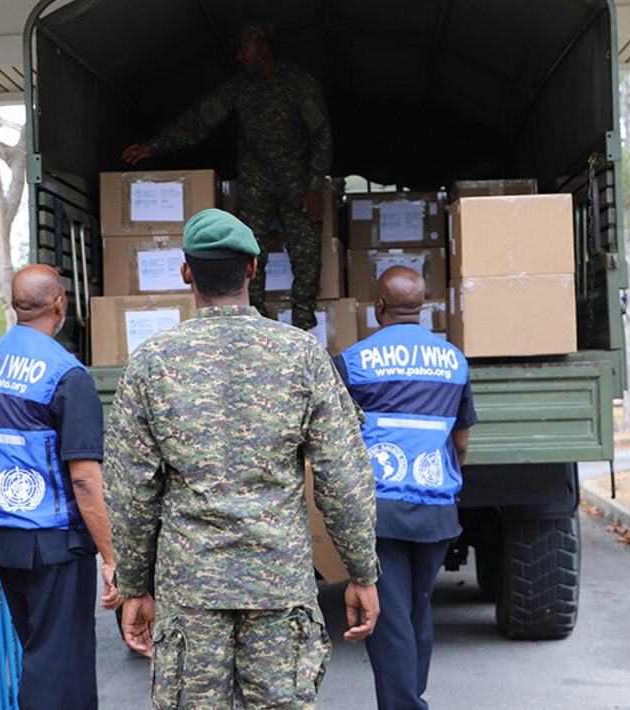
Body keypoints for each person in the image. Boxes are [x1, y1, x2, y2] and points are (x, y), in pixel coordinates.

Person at [104, 208, 380, 708]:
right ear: (253, 268)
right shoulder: (301, 355)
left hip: (191, 588)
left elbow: (130, 492)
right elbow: (343, 478)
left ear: (186, 273)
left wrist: (133, 586)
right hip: (278, 584)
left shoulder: (151, 361)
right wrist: (362, 572)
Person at [0, 264, 120, 709]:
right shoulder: (66, 373)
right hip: (54, 542)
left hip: (4, 539)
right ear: (60, 303)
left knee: (42, 649)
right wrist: (111, 558)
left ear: (14, 305)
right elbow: (84, 478)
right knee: (57, 663)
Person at [122, 21, 332, 331]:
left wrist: (314, 185)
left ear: (262, 46)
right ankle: (257, 326)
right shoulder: (238, 87)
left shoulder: (298, 83)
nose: (238, 56)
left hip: (297, 182)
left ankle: (303, 326)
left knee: (306, 254)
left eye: (243, 49)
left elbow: (321, 133)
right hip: (256, 181)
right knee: (249, 253)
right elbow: (199, 121)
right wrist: (154, 146)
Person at [332, 266, 477, 710]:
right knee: (417, 610)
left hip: (382, 510)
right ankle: (412, 697)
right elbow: (461, 441)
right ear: (423, 307)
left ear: (377, 306)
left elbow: (332, 440)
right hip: (437, 508)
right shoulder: (454, 361)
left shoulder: (353, 361)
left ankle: (406, 705)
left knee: (389, 617)